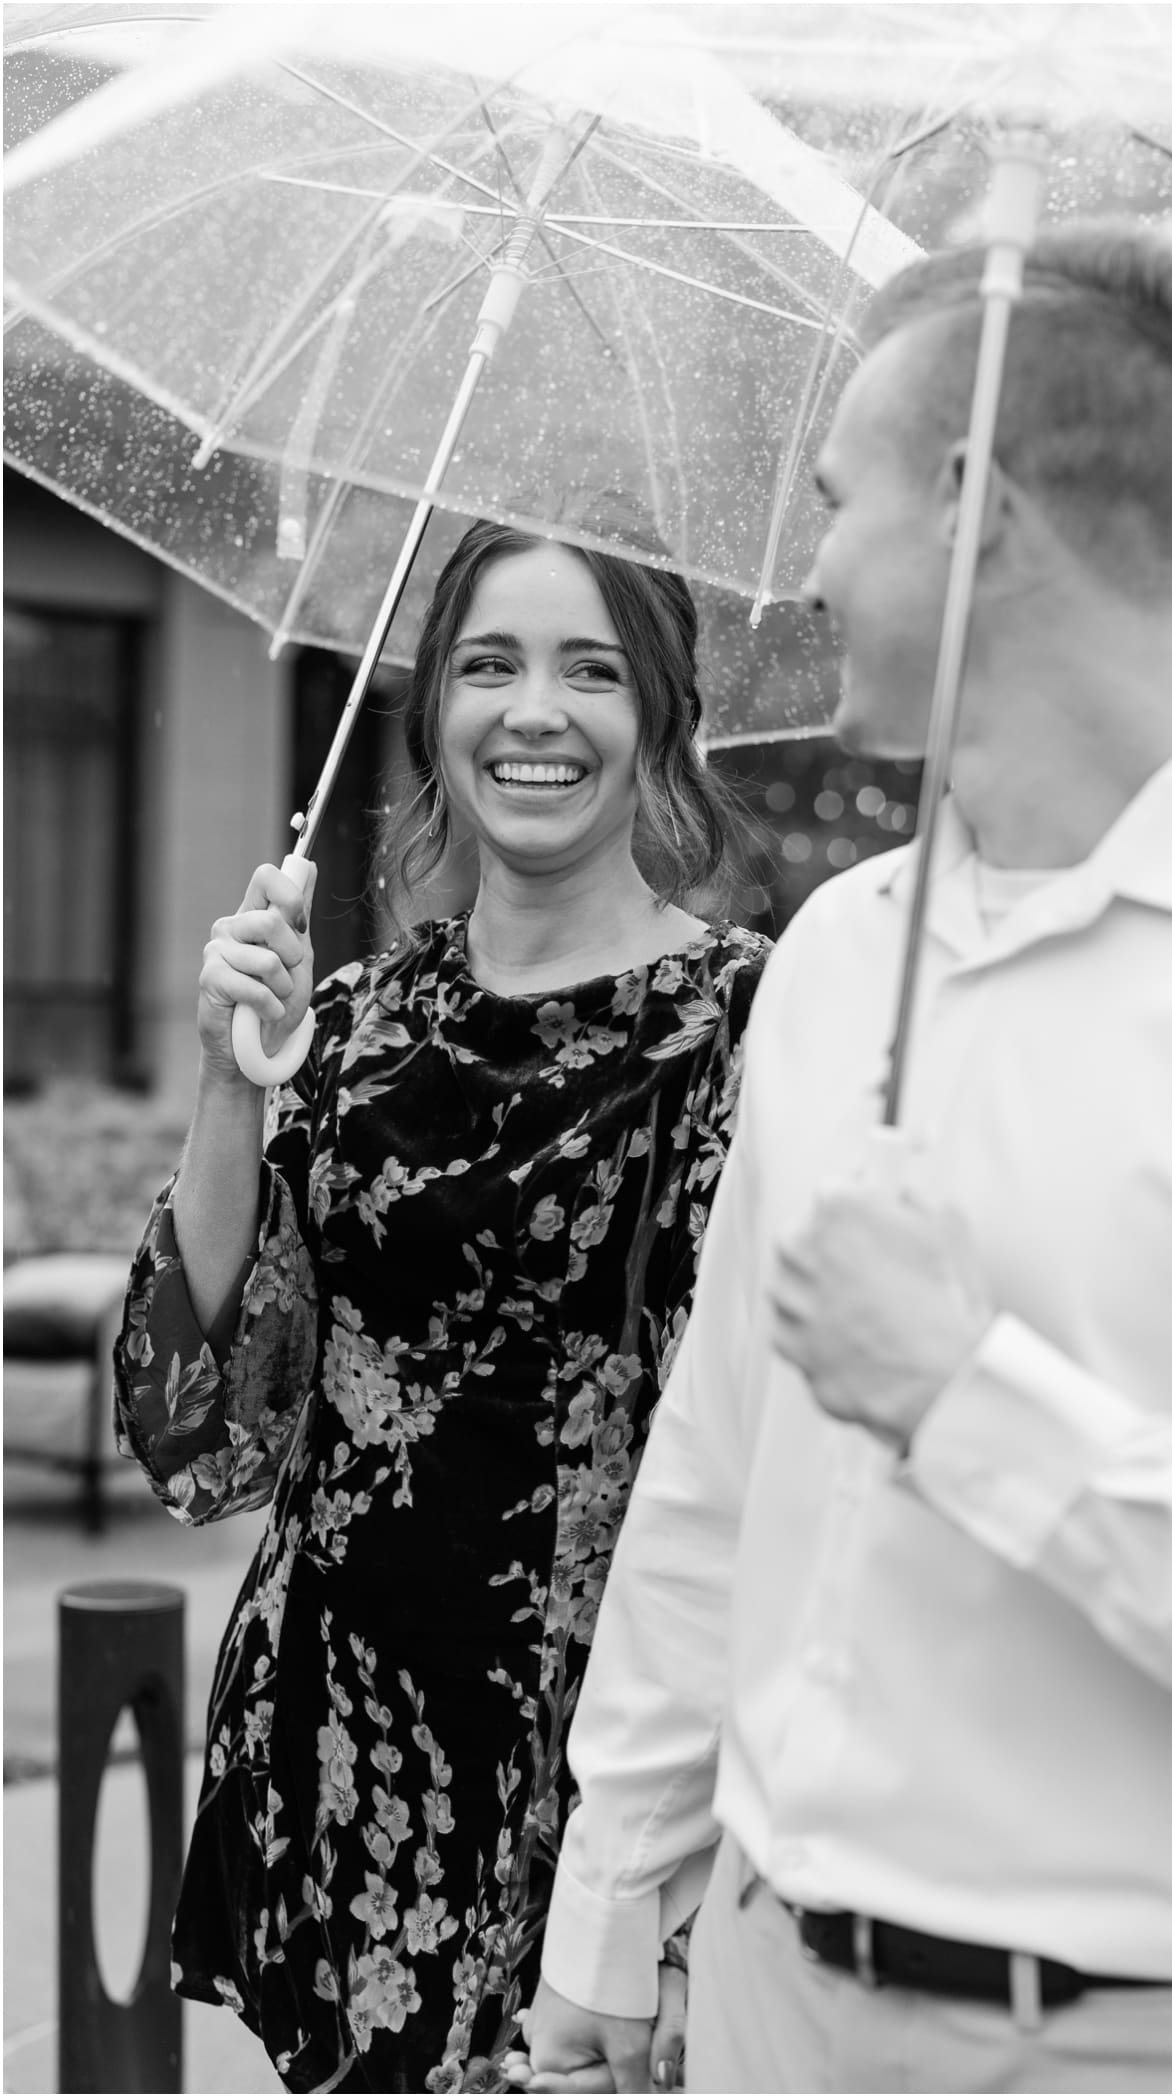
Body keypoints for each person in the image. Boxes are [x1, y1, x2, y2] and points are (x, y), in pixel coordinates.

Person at [516, 227, 1172, 2094]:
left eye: (838, 504)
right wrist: (609, 1906)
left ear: (972, 507)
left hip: (1164, 2051)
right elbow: (717, 1464)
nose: (812, 566)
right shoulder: (838, 957)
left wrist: (968, 1398)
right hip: (758, 2008)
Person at [113, 513, 770, 2092]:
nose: (533, 710)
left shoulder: (746, 1026)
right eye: (489, 664)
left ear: (659, 718)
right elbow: (204, 1442)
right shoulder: (346, 1019)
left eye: (590, 670)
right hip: (339, 1756)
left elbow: (762, 1471)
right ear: (433, 715)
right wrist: (228, 1083)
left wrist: (685, 1895)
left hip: (598, 1791)